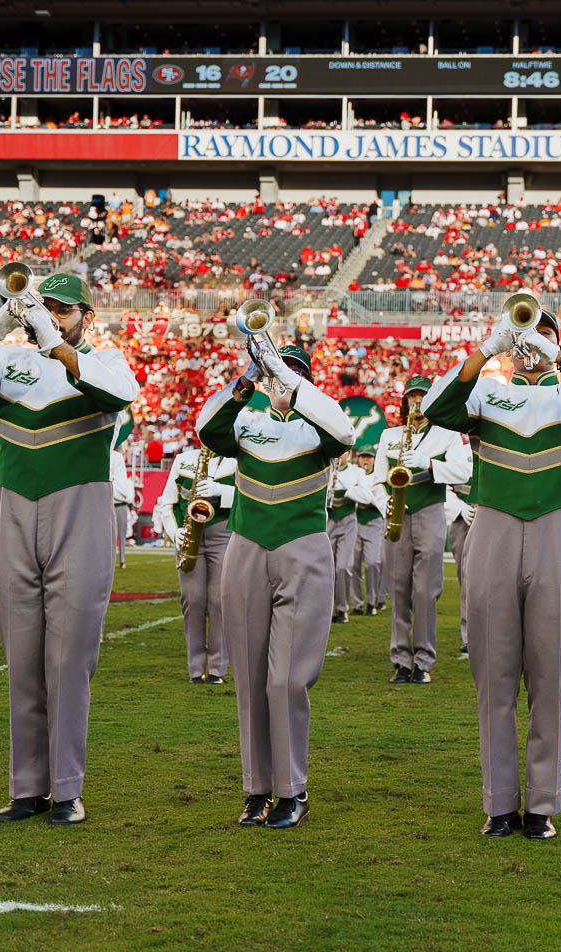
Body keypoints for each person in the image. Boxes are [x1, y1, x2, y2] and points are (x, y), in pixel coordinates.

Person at [423, 303, 561, 840]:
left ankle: (541, 804)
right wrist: (488, 350)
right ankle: (498, 803)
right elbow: (435, 407)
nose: (531, 340)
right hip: (493, 527)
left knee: (549, 676)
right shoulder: (487, 394)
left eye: (543, 331)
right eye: (523, 331)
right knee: (493, 676)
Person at [0, 271, 139, 826]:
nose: (50, 315)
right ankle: (26, 787)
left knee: (70, 661)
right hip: (14, 510)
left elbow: (120, 396)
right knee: (22, 658)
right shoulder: (7, 362)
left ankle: (68, 788)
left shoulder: (107, 360)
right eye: (43, 307)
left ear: (87, 316)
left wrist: (54, 341)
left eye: (63, 309)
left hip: (80, 510)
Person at [196, 342, 354, 830]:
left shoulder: (319, 425)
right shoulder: (249, 423)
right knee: (248, 675)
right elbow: (208, 429)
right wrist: (248, 379)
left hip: (302, 548)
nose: (283, 382)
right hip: (245, 546)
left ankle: (292, 789)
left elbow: (344, 432)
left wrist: (295, 384)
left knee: (286, 678)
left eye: (295, 374)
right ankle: (256, 789)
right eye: (277, 373)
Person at [376, 376, 466, 684]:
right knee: (398, 590)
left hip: (429, 513)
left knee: (426, 591)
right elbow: (377, 481)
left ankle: (424, 660)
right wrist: (384, 504)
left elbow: (464, 471)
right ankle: (401, 659)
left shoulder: (448, 436)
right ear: (405, 401)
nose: (417, 402)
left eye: (422, 398)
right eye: (412, 397)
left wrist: (428, 463)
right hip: (397, 515)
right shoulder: (389, 435)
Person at [155, 441, 237, 684]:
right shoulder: (184, 460)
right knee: (192, 600)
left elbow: (252, 498)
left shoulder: (239, 461)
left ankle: (216, 668)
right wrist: (173, 532)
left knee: (219, 601)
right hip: (189, 535)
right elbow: (167, 502)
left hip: (224, 534)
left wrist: (220, 491)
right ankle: (195, 669)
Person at [326, 448, 372, 627]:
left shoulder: (357, 472)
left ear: (350, 454)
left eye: (343, 453)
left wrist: (345, 486)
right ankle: (328, 610)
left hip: (348, 521)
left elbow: (367, 497)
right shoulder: (326, 469)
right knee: (327, 568)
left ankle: (343, 608)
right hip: (328, 520)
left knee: (343, 567)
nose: (340, 456)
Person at [442, 439, 476, 655]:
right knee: (467, 578)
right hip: (463, 520)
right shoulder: (457, 451)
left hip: (494, 518)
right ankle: (470, 636)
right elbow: (441, 485)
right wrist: (460, 508)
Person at [350, 445, 386, 616]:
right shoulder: (353, 474)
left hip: (374, 521)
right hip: (355, 520)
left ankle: (372, 601)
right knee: (353, 564)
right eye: (363, 457)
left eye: (369, 457)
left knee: (373, 563)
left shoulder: (377, 477)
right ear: (358, 458)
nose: (366, 460)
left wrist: (358, 493)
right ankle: (357, 603)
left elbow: (374, 499)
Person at [111, 447, 135, 568]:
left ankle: (122, 560)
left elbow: (126, 494)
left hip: (121, 504)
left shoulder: (127, 481)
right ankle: (111, 560)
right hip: (112, 503)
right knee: (110, 535)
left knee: (121, 533)